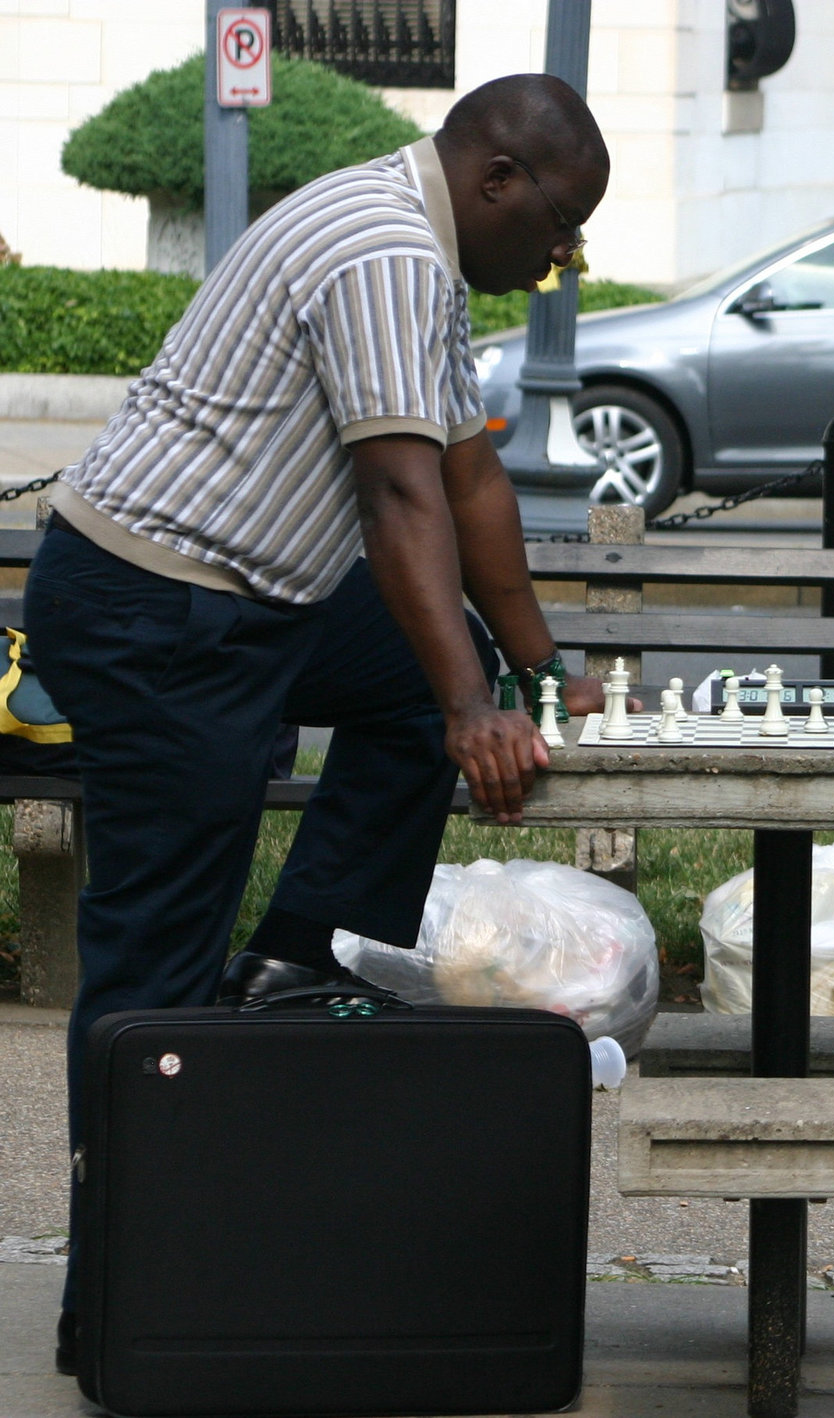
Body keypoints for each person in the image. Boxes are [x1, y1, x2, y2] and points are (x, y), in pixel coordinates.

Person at [26, 73, 618, 1375]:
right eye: (563, 228)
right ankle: (118, 1306)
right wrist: (472, 709)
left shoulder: (419, 249)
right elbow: (402, 497)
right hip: (158, 613)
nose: (563, 263)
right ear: (498, 182)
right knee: (153, 980)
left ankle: (300, 963)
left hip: (243, 600)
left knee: (417, 675)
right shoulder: (386, 254)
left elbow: (470, 481)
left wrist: (530, 670)